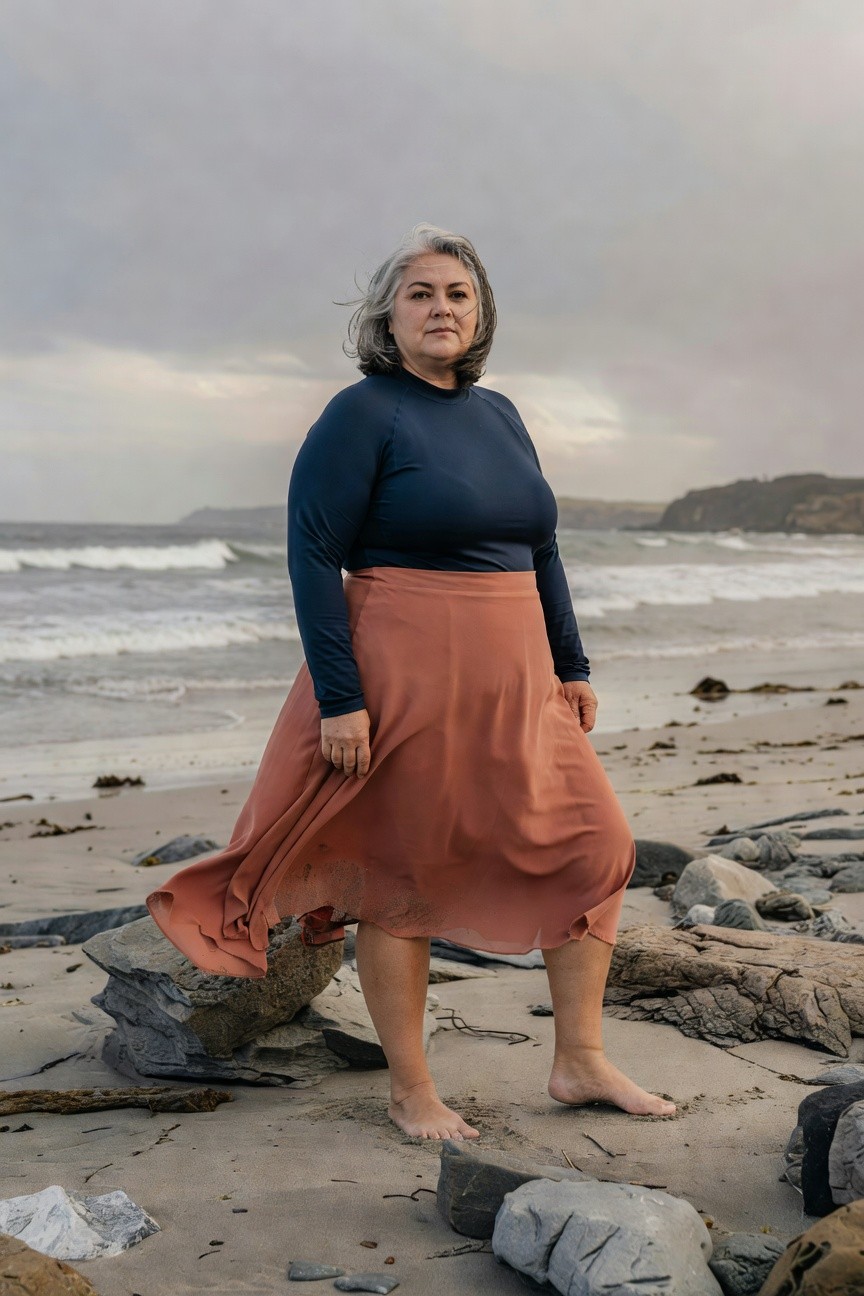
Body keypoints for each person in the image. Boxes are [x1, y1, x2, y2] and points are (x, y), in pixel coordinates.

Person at [147, 223, 675, 1140]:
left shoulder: (500, 413)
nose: (441, 308)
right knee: (406, 874)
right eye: (421, 293)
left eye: (458, 294)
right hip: (406, 666)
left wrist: (573, 664)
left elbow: (541, 547)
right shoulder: (363, 412)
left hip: (518, 674)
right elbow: (313, 554)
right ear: (387, 316)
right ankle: (412, 1090)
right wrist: (341, 697)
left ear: (481, 315)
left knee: (596, 845)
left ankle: (580, 1060)